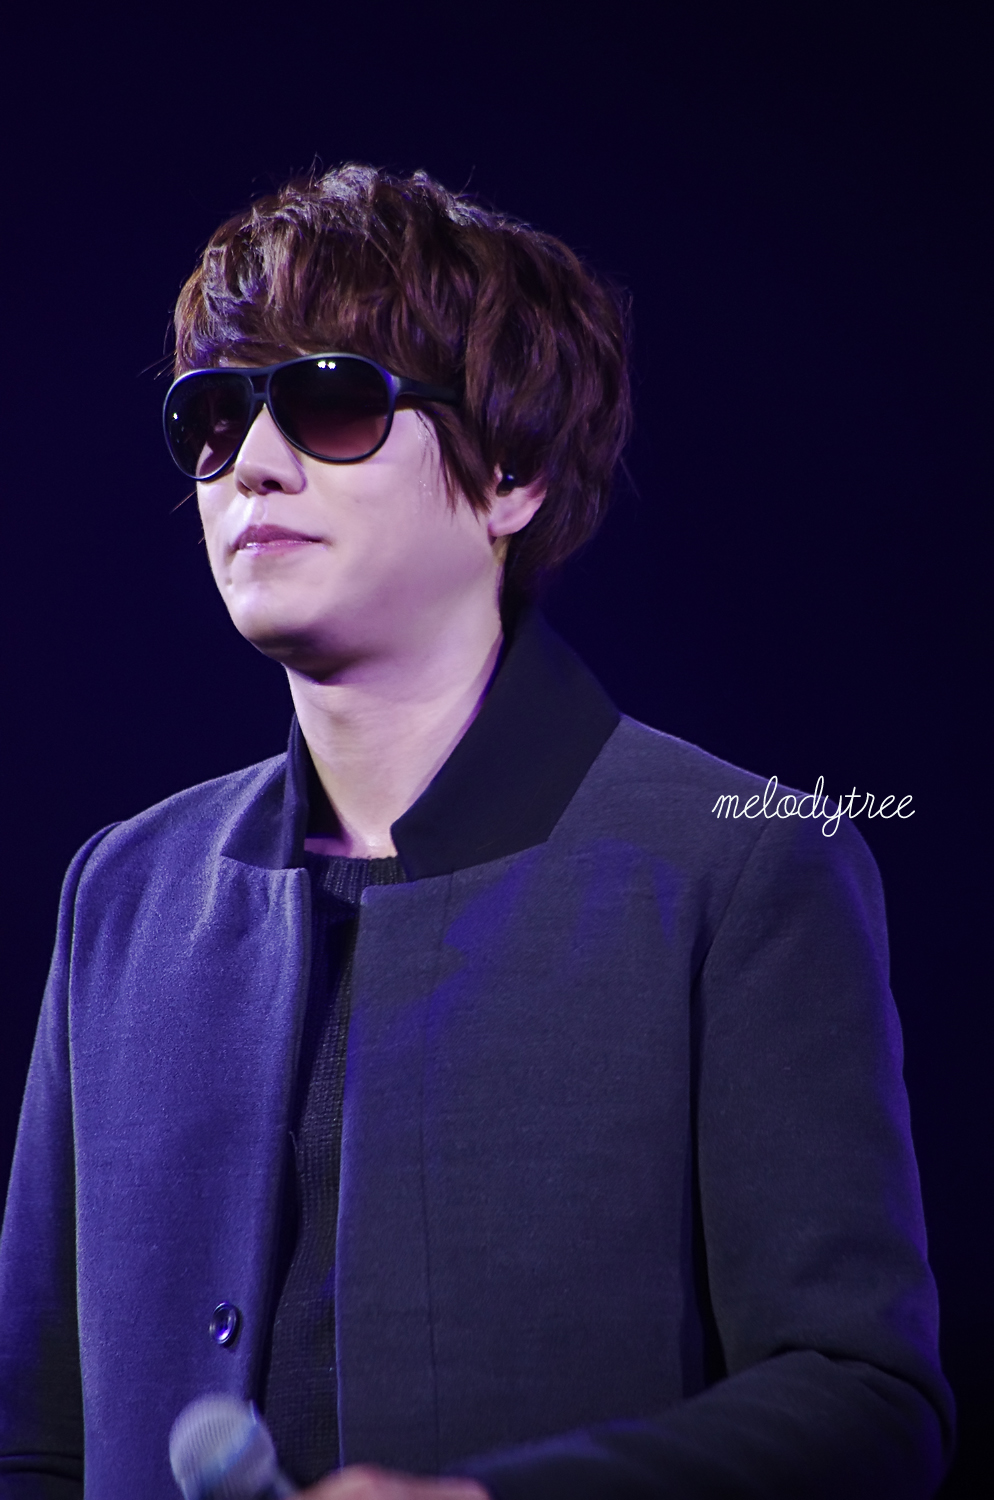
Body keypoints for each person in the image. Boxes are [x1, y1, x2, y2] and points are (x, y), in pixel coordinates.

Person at [0, 165, 953, 1500]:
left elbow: (863, 1399)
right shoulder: (124, 890)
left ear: (513, 473)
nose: (250, 463)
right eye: (213, 417)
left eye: (330, 401)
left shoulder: (743, 865)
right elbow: (35, 1437)